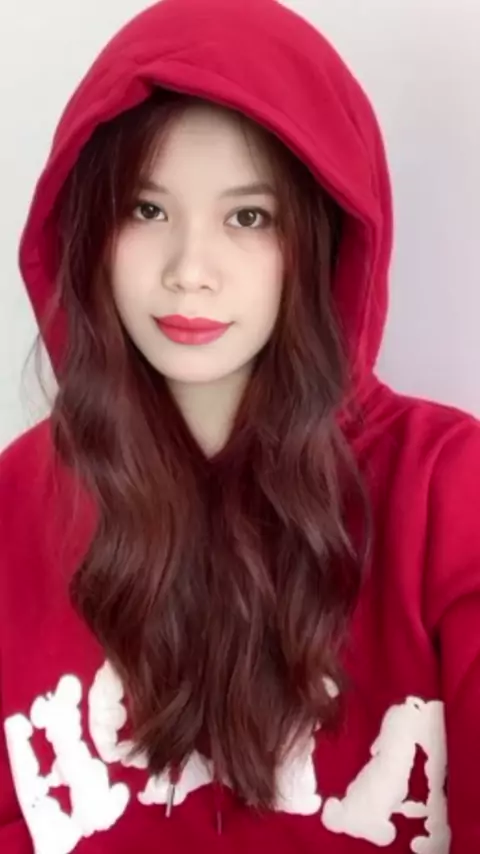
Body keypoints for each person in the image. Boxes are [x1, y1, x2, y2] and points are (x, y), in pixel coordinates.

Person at [0, 0, 478, 850]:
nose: (190, 270)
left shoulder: (448, 492)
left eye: (248, 217)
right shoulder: (14, 506)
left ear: (321, 239)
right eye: (146, 210)